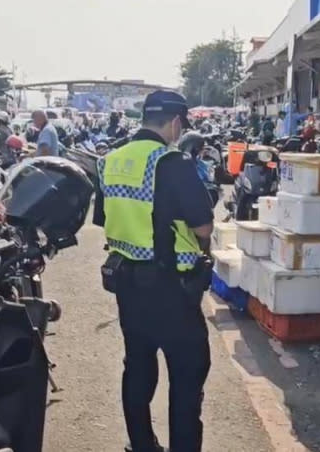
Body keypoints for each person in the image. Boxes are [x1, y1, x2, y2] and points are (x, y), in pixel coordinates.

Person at [94, 90, 214, 452]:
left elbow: (103, 219)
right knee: (187, 374)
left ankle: (142, 444)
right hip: (171, 288)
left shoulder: (110, 160)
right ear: (176, 123)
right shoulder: (171, 162)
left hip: (128, 284)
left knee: (138, 368)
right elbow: (204, 227)